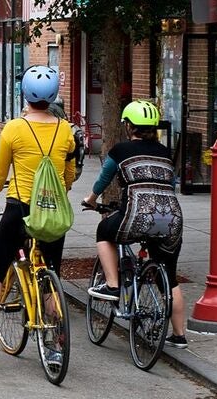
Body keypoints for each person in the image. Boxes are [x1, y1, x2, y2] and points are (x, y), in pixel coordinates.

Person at [0, 65, 75, 372]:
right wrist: (60, 189)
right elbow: (68, 175)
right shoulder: (65, 130)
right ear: (54, 96)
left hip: (18, 208)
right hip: (51, 212)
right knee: (51, 275)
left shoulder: (14, 128)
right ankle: (55, 345)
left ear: (23, 95)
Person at [83, 100, 187, 348]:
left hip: (136, 214)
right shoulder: (165, 153)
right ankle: (180, 335)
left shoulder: (120, 151)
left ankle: (112, 285)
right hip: (171, 218)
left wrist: (91, 200)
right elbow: (168, 186)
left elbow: (103, 180)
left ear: (129, 126)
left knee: (104, 232)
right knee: (170, 279)